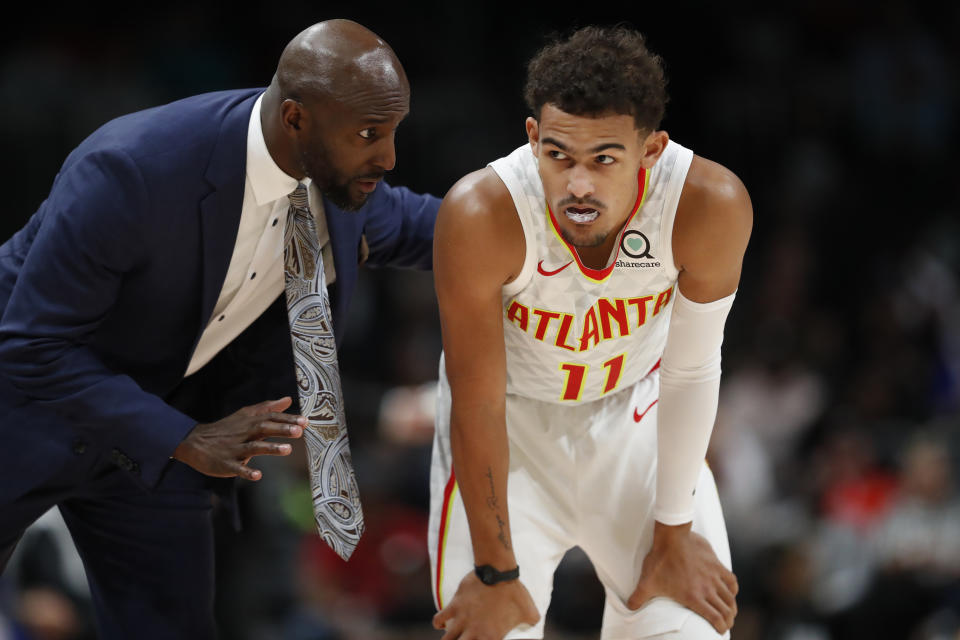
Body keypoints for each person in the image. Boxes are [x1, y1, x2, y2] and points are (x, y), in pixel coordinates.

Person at [0, 19, 439, 640]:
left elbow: (446, 228)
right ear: (296, 120)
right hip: (25, 404)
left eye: (394, 132)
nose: (389, 157)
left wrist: (565, 220)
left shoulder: (339, 190)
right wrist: (181, 437)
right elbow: (30, 344)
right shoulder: (131, 169)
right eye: (370, 134)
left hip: (151, 439)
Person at [428, 26, 752, 639]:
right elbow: (476, 399)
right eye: (559, 156)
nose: (578, 185)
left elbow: (691, 371)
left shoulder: (707, 203)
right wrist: (496, 573)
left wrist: (675, 531)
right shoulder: (480, 212)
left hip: (637, 421)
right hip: (510, 432)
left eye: (604, 159)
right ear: (533, 139)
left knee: (692, 628)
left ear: (650, 150)